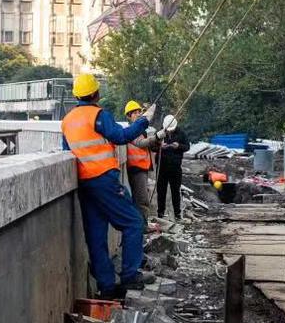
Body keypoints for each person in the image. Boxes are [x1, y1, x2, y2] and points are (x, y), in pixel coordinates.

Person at [61, 74, 152, 298]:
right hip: (103, 180)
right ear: (96, 94)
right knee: (133, 222)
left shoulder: (67, 121)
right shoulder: (99, 115)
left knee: (96, 235)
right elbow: (121, 136)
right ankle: (130, 275)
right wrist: (143, 122)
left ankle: (107, 287)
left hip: (84, 184)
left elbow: (66, 152)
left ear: (76, 95)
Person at [121, 99, 156, 218]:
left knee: (141, 199)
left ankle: (142, 224)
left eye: (139, 112)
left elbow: (148, 146)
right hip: (136, 169)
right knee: (142, 199)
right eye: (134, 112)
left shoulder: (141, 131)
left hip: (142, 168)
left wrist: (157, 140)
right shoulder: (130, 132)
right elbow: (141, 143)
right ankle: (142, 225)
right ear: (129, 116)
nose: (138, 114)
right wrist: (156, 137)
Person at [154, 113, 189, 223]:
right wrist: (160, 146)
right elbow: (151, 147)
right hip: (162, 168)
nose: (169, 131)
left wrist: (178, 146)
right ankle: (160, 213)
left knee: (175, 191)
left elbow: (187, 146)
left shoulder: (181, 133)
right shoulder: (159, 133)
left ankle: (177, 214)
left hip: (175, 167)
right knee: (161, 191)